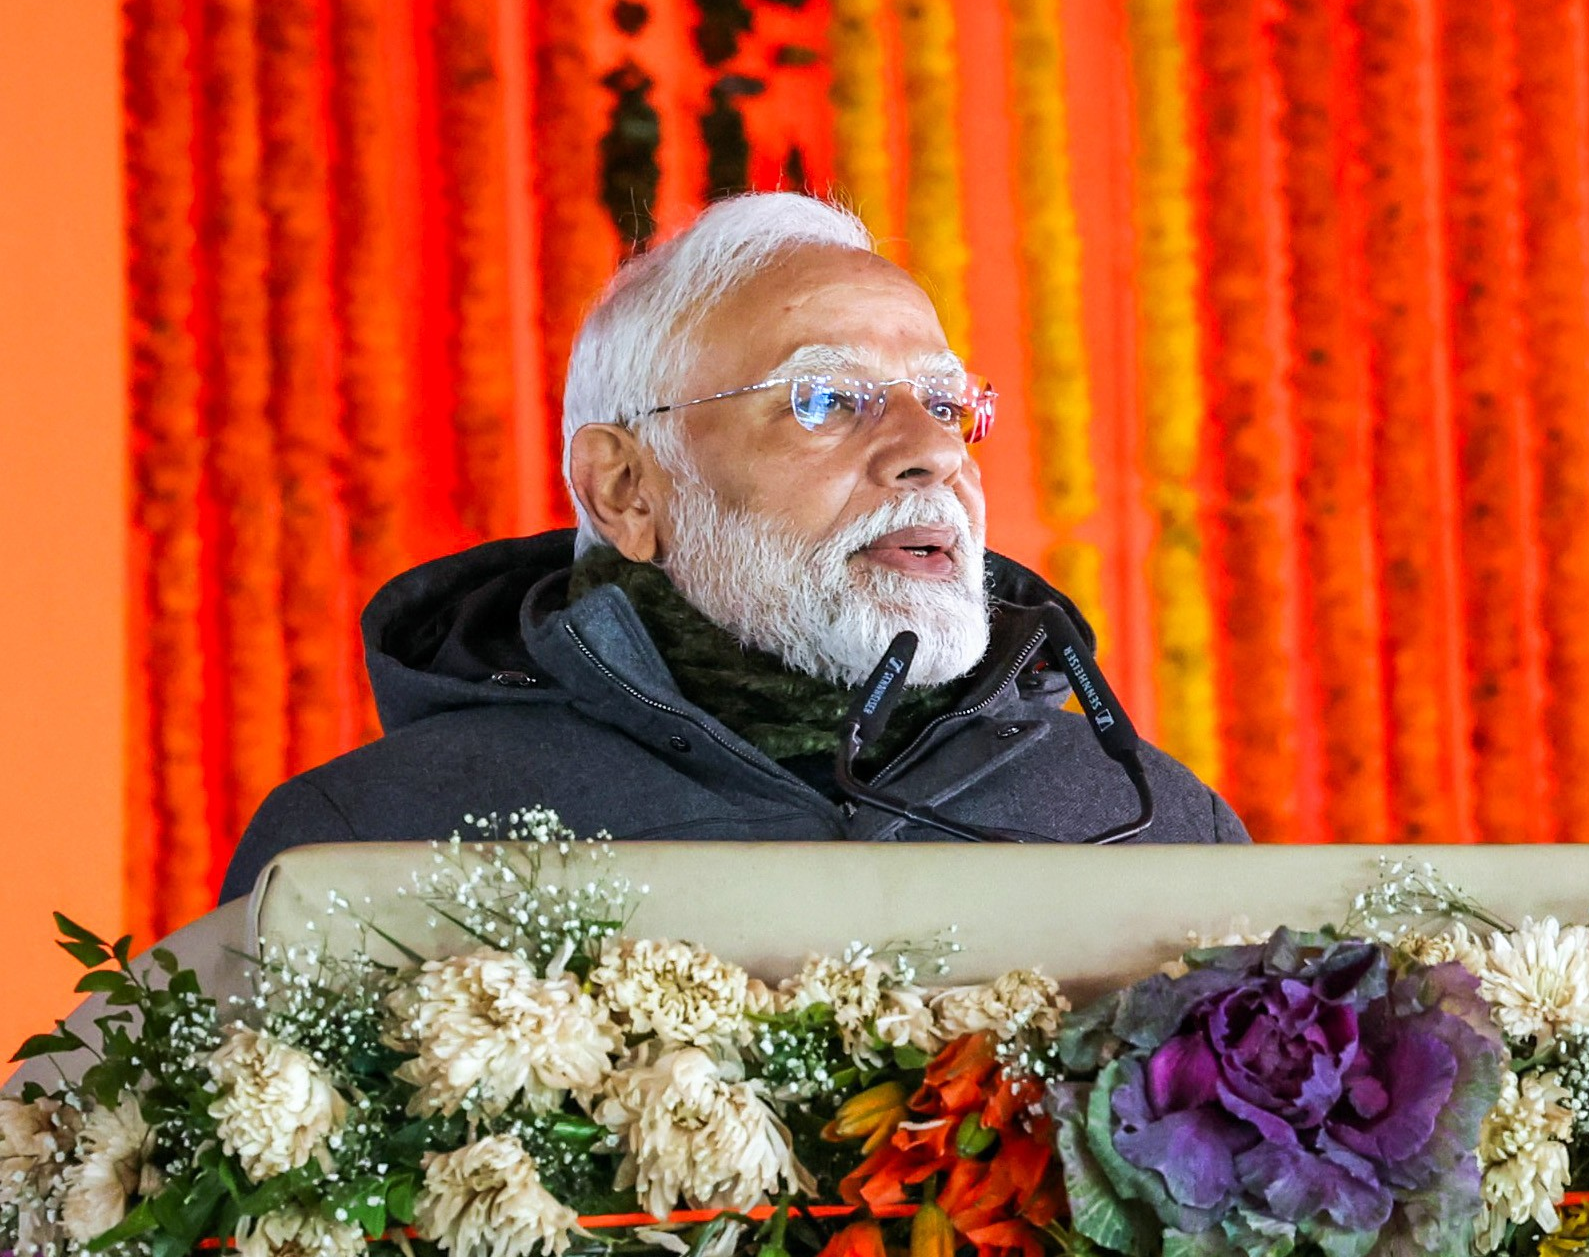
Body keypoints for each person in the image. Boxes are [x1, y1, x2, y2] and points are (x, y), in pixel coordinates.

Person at [220, 193, 1248, 902]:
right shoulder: (369, 836)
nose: (931, 451)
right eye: (828, 399)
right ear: (625, 488)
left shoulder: (1153, 820)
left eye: (945, 401)